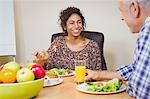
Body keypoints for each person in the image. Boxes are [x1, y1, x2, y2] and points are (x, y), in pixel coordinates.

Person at [85, 0, 150, 98]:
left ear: (134, 8)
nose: (121, 17)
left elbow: (141, 91)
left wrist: (130, 86)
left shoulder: (148, 31)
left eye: (121, 11)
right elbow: (135, 69)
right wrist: (97, 74)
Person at [33, 7, 103, 70]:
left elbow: (98, 73)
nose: (76, 26)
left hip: (83, 83)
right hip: (61, 83)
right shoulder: (58, 42)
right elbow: (45, 68)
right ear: (64, 26)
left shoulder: (92, 46)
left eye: (79, 22)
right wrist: (42, 60)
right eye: (72, 23)